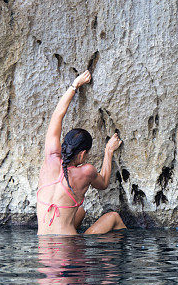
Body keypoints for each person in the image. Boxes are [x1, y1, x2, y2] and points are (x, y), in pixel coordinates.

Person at [36, 70, 126, 235]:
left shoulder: (50, 158)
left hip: (44, 250)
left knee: (80, 211)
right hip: (70, 250)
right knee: (114, 217)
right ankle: (114, 258)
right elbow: (104, 183)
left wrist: (74, 85)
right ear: (83, 154)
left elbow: (57, 116)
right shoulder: (86, 171)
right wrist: (108, 151)